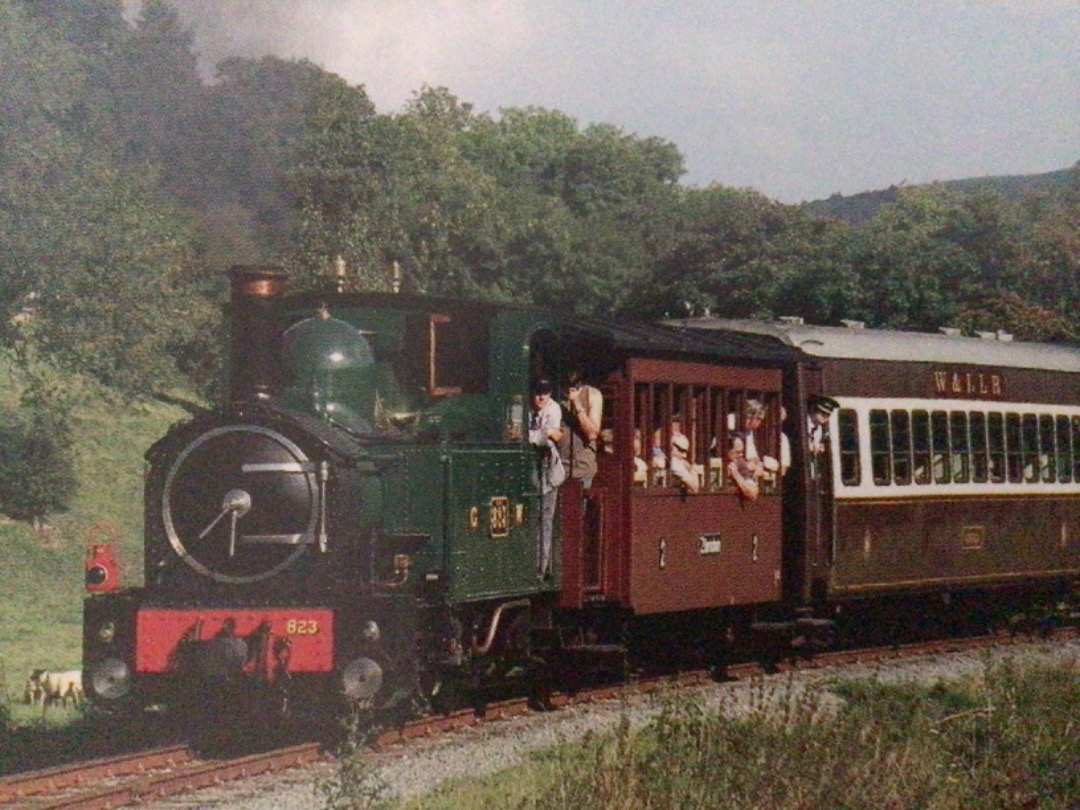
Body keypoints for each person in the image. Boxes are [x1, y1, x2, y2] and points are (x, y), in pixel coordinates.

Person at [529, 379, 564, 579]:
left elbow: (552, 436)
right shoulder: (527, 409)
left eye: (546, 392)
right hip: (533, 473)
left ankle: (541, 569)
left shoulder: (553, 409)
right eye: (538, 392)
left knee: (545, 521)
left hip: (548, 475)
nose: (541, 397)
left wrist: (534, 435)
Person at [564, 369, 603, 488]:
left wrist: (576, 402)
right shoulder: (552, 394)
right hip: (557, 468)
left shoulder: (592, 394)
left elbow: (592, 433)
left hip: (581, 468)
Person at [726, 435, 760, 501]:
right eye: (737, 452)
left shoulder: (742, 467)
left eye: (742, 452)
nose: (741, 455)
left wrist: (736, 475)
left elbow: (753, 494)